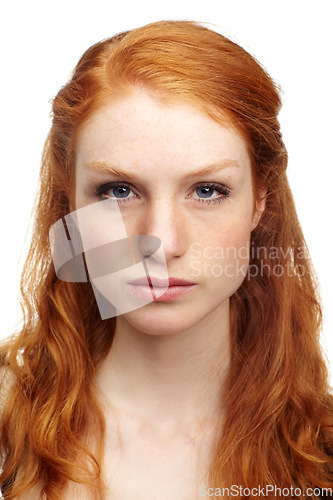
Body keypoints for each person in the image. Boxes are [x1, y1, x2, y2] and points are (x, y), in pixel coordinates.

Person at [0, 20, 332, 500]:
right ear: (69, 199)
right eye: (119, 190)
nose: (160, 241)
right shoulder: (7, 425)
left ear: (261, 199)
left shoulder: (322, 452)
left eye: (207, 190)